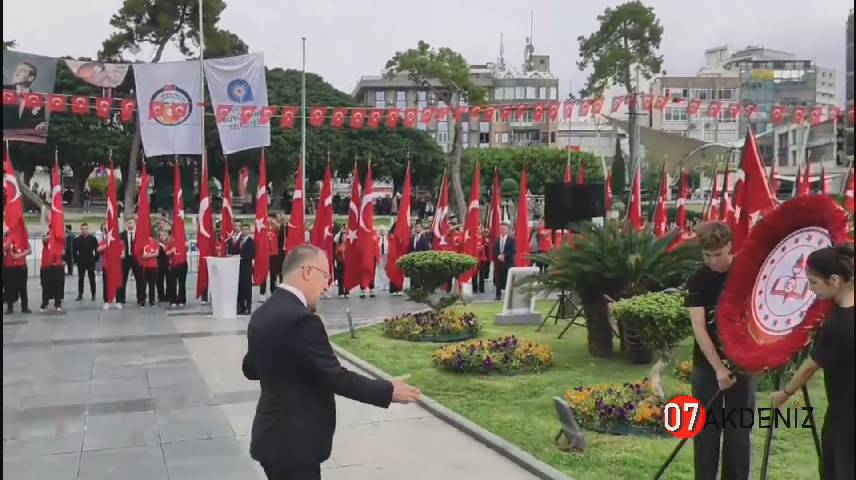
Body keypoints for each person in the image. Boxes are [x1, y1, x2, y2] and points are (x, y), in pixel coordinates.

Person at [242, 244, 421, 479]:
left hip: (272, 439)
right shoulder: (301, 320)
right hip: (296, 445)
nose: (327, 285)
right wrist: (388, 391)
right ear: (307, 272)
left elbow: (251, 368)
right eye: (325, 276)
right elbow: (335, 377)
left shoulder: (263, 312)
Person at [772, 245, 853, 480]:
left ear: (835, 280)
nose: (810, 289)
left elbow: (810, 366)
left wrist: (784, 394)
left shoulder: (839, 324)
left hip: (846, 414)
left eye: (814, 282)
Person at [685, 221, 757, 480]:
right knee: (705, 432)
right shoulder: (698, 280)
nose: (713, 261)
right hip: (707, 368)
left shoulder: (748, 272)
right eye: (707, 256)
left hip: (744, 364)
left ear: (730, 246)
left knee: (738, 432)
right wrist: (719, 370)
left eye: (718, 254)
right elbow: (699, 328)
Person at [118, 217, 144, 306]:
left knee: (139, 279)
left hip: (137, 258)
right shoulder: (121, 235)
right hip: (125, 258)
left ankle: (140, 298)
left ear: (135, 223)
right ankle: (121, 298)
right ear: (126, 224)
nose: (130, 224)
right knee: (122, 279)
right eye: (128, 223)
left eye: (131, 223)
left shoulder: (139, 234)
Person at [4, 231, 31, 314]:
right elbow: (5, 248)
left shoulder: (23, 240)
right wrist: (10, 238)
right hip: (9, 267)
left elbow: (29, 250)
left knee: (23, 288)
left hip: (21, 267)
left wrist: (21, 255)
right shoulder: (6, 240)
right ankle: (10, 307)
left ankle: (25, 307)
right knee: (9, 288)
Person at [97, 232, 125, 310]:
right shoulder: (105, 241)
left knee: (118, 283)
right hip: (107, 265)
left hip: (117, 266)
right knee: (106, 283)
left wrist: (115, 256)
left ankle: (118, 300)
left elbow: (123, 255)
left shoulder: (121, 242)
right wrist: (107, 244)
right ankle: (107, 301)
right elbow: (98, 249)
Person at [73, 223, 99, 301]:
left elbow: (97, 250)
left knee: (92, 278)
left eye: (86, 229)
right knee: (80, 278)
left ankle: (93, 294)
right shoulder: (77, 240)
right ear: (81, 230)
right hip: (81, 262)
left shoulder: (93, 239)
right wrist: (76, 260)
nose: (84, 230)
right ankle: (80, 294)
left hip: (90, 261)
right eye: (83, 229)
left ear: (88, 229)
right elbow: (74, 251)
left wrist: (95, 259)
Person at [39, 236, 64, 313]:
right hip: (46, 267)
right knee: (46, 286)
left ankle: (58, 304)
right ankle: (44, 304)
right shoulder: (47, 241)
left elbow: (63, 252)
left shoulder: (60, 242)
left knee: (58, 286)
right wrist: (52, 234)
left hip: (57, 266)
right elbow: (44, 240)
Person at [236, 222, 255, 315]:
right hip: (238, 267)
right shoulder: (239, 240)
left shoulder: (251, 242)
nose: (244, 231)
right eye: (243, 229)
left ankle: (248, 307)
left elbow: (251, 254)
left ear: (249, 230)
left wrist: (241, 256)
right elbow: (234, 250)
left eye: (246, 229)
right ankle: (241, 307)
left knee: (247, 288)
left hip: (246, 267)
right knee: (240, 287)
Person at [493, 223, 515, 301]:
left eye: (504, 229)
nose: (502, 230)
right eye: (501, 228)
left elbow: (512, 250)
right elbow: (495, 250)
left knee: (508, 279)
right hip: (499, 263)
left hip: (508, 263)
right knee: (498, 279)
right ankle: (498, 295)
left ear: (508, 230)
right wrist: (498, 255)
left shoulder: (511, 240)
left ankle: (509, 296)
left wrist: (504, 256)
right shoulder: (497, 240)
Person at [166, 232, 188, 308]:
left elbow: (187, 249)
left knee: (182, 283)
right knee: (172, 283)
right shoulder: (170, 239)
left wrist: (185, 246)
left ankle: (182, 300)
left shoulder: (184, 237)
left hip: (182, 263)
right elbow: (167, 252)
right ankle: (173, 300)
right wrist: (171, 251)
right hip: (173, 264)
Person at [140, 234, 159, 307]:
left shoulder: (155, 242)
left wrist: (147, 255)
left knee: (152, 285)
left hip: (153, 267)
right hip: (144, 267)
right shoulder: (141, 242)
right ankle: (142, 301)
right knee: (143, 285)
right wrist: (151, 254)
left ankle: (152, 301)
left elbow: (157, 253)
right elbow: (141, 255)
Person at [156, 231, 169, 303]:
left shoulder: (169, 244)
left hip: (168, 264)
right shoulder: (157, 245)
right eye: (161, 235)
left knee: (169, 281)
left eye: (164, 235)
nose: (162, 236)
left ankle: (168, 295)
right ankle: (161, 296)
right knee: (159, 281)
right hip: (160, 264)